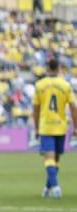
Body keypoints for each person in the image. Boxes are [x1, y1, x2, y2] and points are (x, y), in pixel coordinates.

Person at [33, 57, 76, 198]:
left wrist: (36, 128)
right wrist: (75, 127)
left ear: (47, 68)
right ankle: (54, 187)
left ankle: (50, 186)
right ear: (58, 69)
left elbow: (36, 108)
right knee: (55, 158)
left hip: (46, 126)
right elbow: (73, 107)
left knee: (51, 159)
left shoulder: (39, 85)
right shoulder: (65, 85)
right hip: (61, 126)